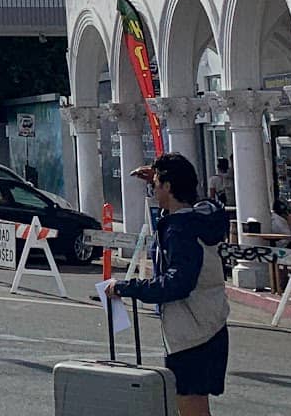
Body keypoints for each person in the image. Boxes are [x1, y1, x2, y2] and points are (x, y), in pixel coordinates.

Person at [112, 154, 230, 416]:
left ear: (167, 186)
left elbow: (178, 282)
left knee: (190, 407)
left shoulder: (180, 229)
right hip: (210, 322)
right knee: (195, 406)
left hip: (191, 331)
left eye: (156, 183)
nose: (153, 189)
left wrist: (128, 287)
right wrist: (159, 176)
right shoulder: (200, 218)